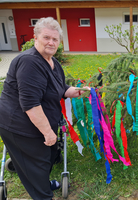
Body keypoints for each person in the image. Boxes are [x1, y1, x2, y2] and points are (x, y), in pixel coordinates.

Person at [0, 17, 88, 200]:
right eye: (46, 37)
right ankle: (43, 195)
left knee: (46, 157)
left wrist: (80, 91)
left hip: (40, 121)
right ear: (35, 38)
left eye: (55, 39)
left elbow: (61, 89)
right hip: (20, 125)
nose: (51, 42)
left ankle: (42, 182)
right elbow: (31, 104)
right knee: (38, 162)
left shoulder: (53, 63)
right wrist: (48, 133)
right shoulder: (29, 62)